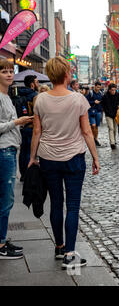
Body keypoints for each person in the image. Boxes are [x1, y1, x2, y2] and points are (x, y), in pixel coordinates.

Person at [28, 56, 100, 269]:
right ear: (67, 74)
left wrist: (33, 157)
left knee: (56, 204)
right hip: (73, 159)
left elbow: (37, 131)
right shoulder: (78, 99)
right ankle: (70, 253)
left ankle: (59, 246)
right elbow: (87, 131)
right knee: (73, 206)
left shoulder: (40, 100)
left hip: (49, 158)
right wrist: (95, 156)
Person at [0, 58, 33, 259]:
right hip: (4, 151)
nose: (9, 74)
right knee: (6, 198)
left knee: (5, 198)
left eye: (10, 71)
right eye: (4, 71)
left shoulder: (7, 96)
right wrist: (16, 122)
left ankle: (2, 239)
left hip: (9, 150)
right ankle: (1, 244)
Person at [17, 75, 39, 182]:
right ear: (32, 84)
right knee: (31, 152)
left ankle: (23, 174)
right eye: (36, 82)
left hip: (21, 127)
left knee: (23, 151)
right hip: (32, 126)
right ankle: (28, 174)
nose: (38, 84)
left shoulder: (19, 95)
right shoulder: (35, 95)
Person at [101, 83, 119, 149]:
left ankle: (114, 140)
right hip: (108, 115)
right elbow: (103, 105)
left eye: (114, 90)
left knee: (115, 129)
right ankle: (112, 143)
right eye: (112, 90)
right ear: (109, 90)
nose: (113, 91)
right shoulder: (105, 96)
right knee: (111, 128)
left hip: (116, 115)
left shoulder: (118, 95)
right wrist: (106, 111)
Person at [86, 82, 103, 146]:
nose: (98, 88)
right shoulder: (90, 93)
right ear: (95, 86)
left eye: (99, 87)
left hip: (98, 111)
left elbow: (102, 101)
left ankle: (95, 139)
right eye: (97, 87)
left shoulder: (101, 93)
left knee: (96, 126)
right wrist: (93, 102)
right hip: (91, 111)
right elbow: (86, 101)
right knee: (93, 125)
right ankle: (93, 139)